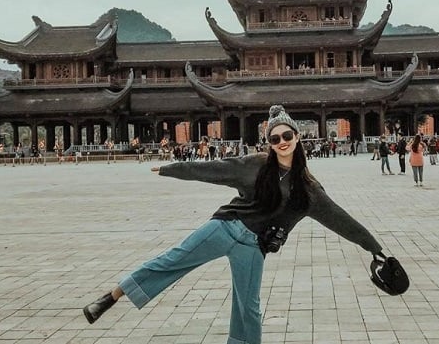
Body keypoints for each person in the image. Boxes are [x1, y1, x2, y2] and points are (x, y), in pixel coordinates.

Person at [81, 105, 389, 344]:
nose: (281, 142)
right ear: (269, 142)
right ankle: (111, 297)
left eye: (286, 136)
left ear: (297, 137)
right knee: (172, 260)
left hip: (253, 248)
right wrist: (170, 169)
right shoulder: (254, 165)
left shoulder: (309, 190)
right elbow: (212, 170)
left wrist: (375, 249)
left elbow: (342, 221)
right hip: (224, 228)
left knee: (248, 306)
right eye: (274, 138)